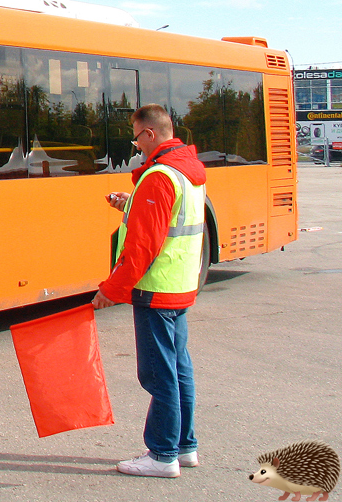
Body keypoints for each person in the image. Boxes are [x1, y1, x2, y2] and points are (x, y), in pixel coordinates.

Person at [92, 104, 206, 479]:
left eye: (136, 137)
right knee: (178, 369)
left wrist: (112, 289)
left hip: (156, 290)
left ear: (150, 135)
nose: (136, 145)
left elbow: (142, 246)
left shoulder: (158, 176)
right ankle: (184, 446)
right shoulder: (186, 170)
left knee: (159, 375)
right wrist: (131, 204)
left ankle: (162, 454)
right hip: (180, 285)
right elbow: (171, 218)